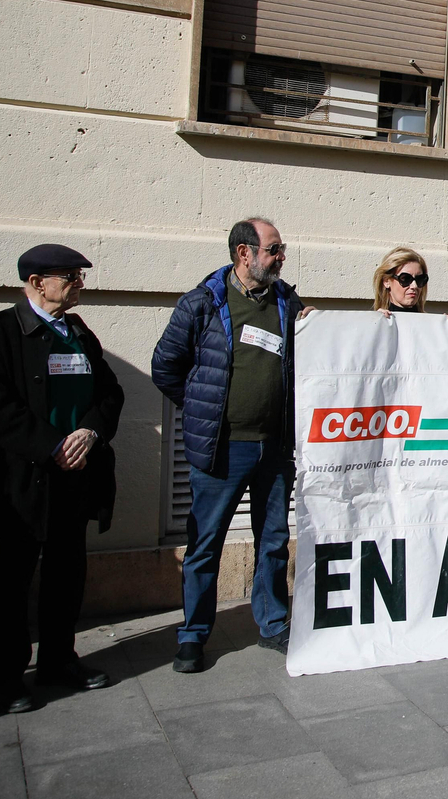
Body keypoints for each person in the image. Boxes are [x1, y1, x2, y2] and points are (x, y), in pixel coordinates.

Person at [0, 244, 123, 713]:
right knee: (12, 577)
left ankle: (60, 660)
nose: (78, 284)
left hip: (77, 475)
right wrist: (53, 445)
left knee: (66, 570)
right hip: (24, 480)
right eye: (70, 276)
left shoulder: (77, 331)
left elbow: (109, 392)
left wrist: (91, 432)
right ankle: (5, 676)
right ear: (37, 282)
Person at [151, 218, 305, 674]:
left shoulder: (286, 303)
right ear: (245, 254)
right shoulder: (200, 304)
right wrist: (204, 410)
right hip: (223, 449)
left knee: (274, 541)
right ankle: (193, 637)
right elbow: (166, 368)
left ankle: (273, 624)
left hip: (274, 448)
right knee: (206, 544)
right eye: (274, 249)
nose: (281, 257)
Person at [373, 247, 428, 313]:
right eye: (405, 279)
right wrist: (379, 320)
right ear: (386, 281)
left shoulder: (430, 321)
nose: (414, 286)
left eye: (420, 279)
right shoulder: (373, 320)